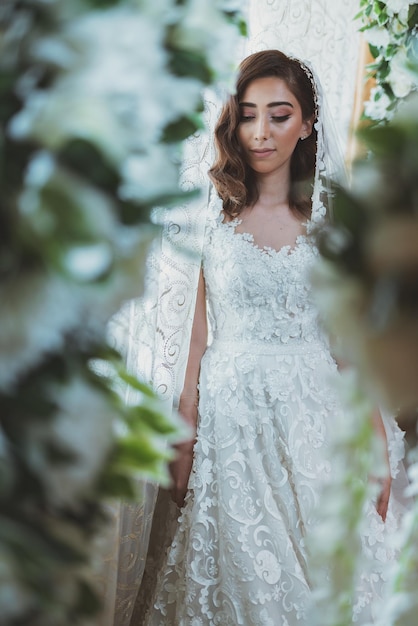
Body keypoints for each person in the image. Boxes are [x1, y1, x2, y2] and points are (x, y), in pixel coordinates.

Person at [141, 49, 406, 625]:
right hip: (233, 418)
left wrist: (377, 446)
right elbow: (194, 336)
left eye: (280, 114)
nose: (261, 132)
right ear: (233, 121)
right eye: (249, 114)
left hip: (315, 413)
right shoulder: (209, 215)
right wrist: (184, 434)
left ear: (308, 123)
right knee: (246, 578)